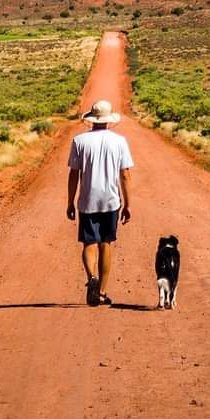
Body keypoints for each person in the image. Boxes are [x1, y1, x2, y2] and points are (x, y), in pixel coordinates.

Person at [66, 99, 133, 306]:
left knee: (89, 242)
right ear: (108, 120)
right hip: (111, 200)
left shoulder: (79, 141)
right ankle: (102, 292)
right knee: (106, 243)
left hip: (87, 200)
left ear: (92, 120)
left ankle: (91, 278)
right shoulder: (120, 141)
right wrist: (128, 204)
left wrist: (70, 202)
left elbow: (73, 175)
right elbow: (125, 175)